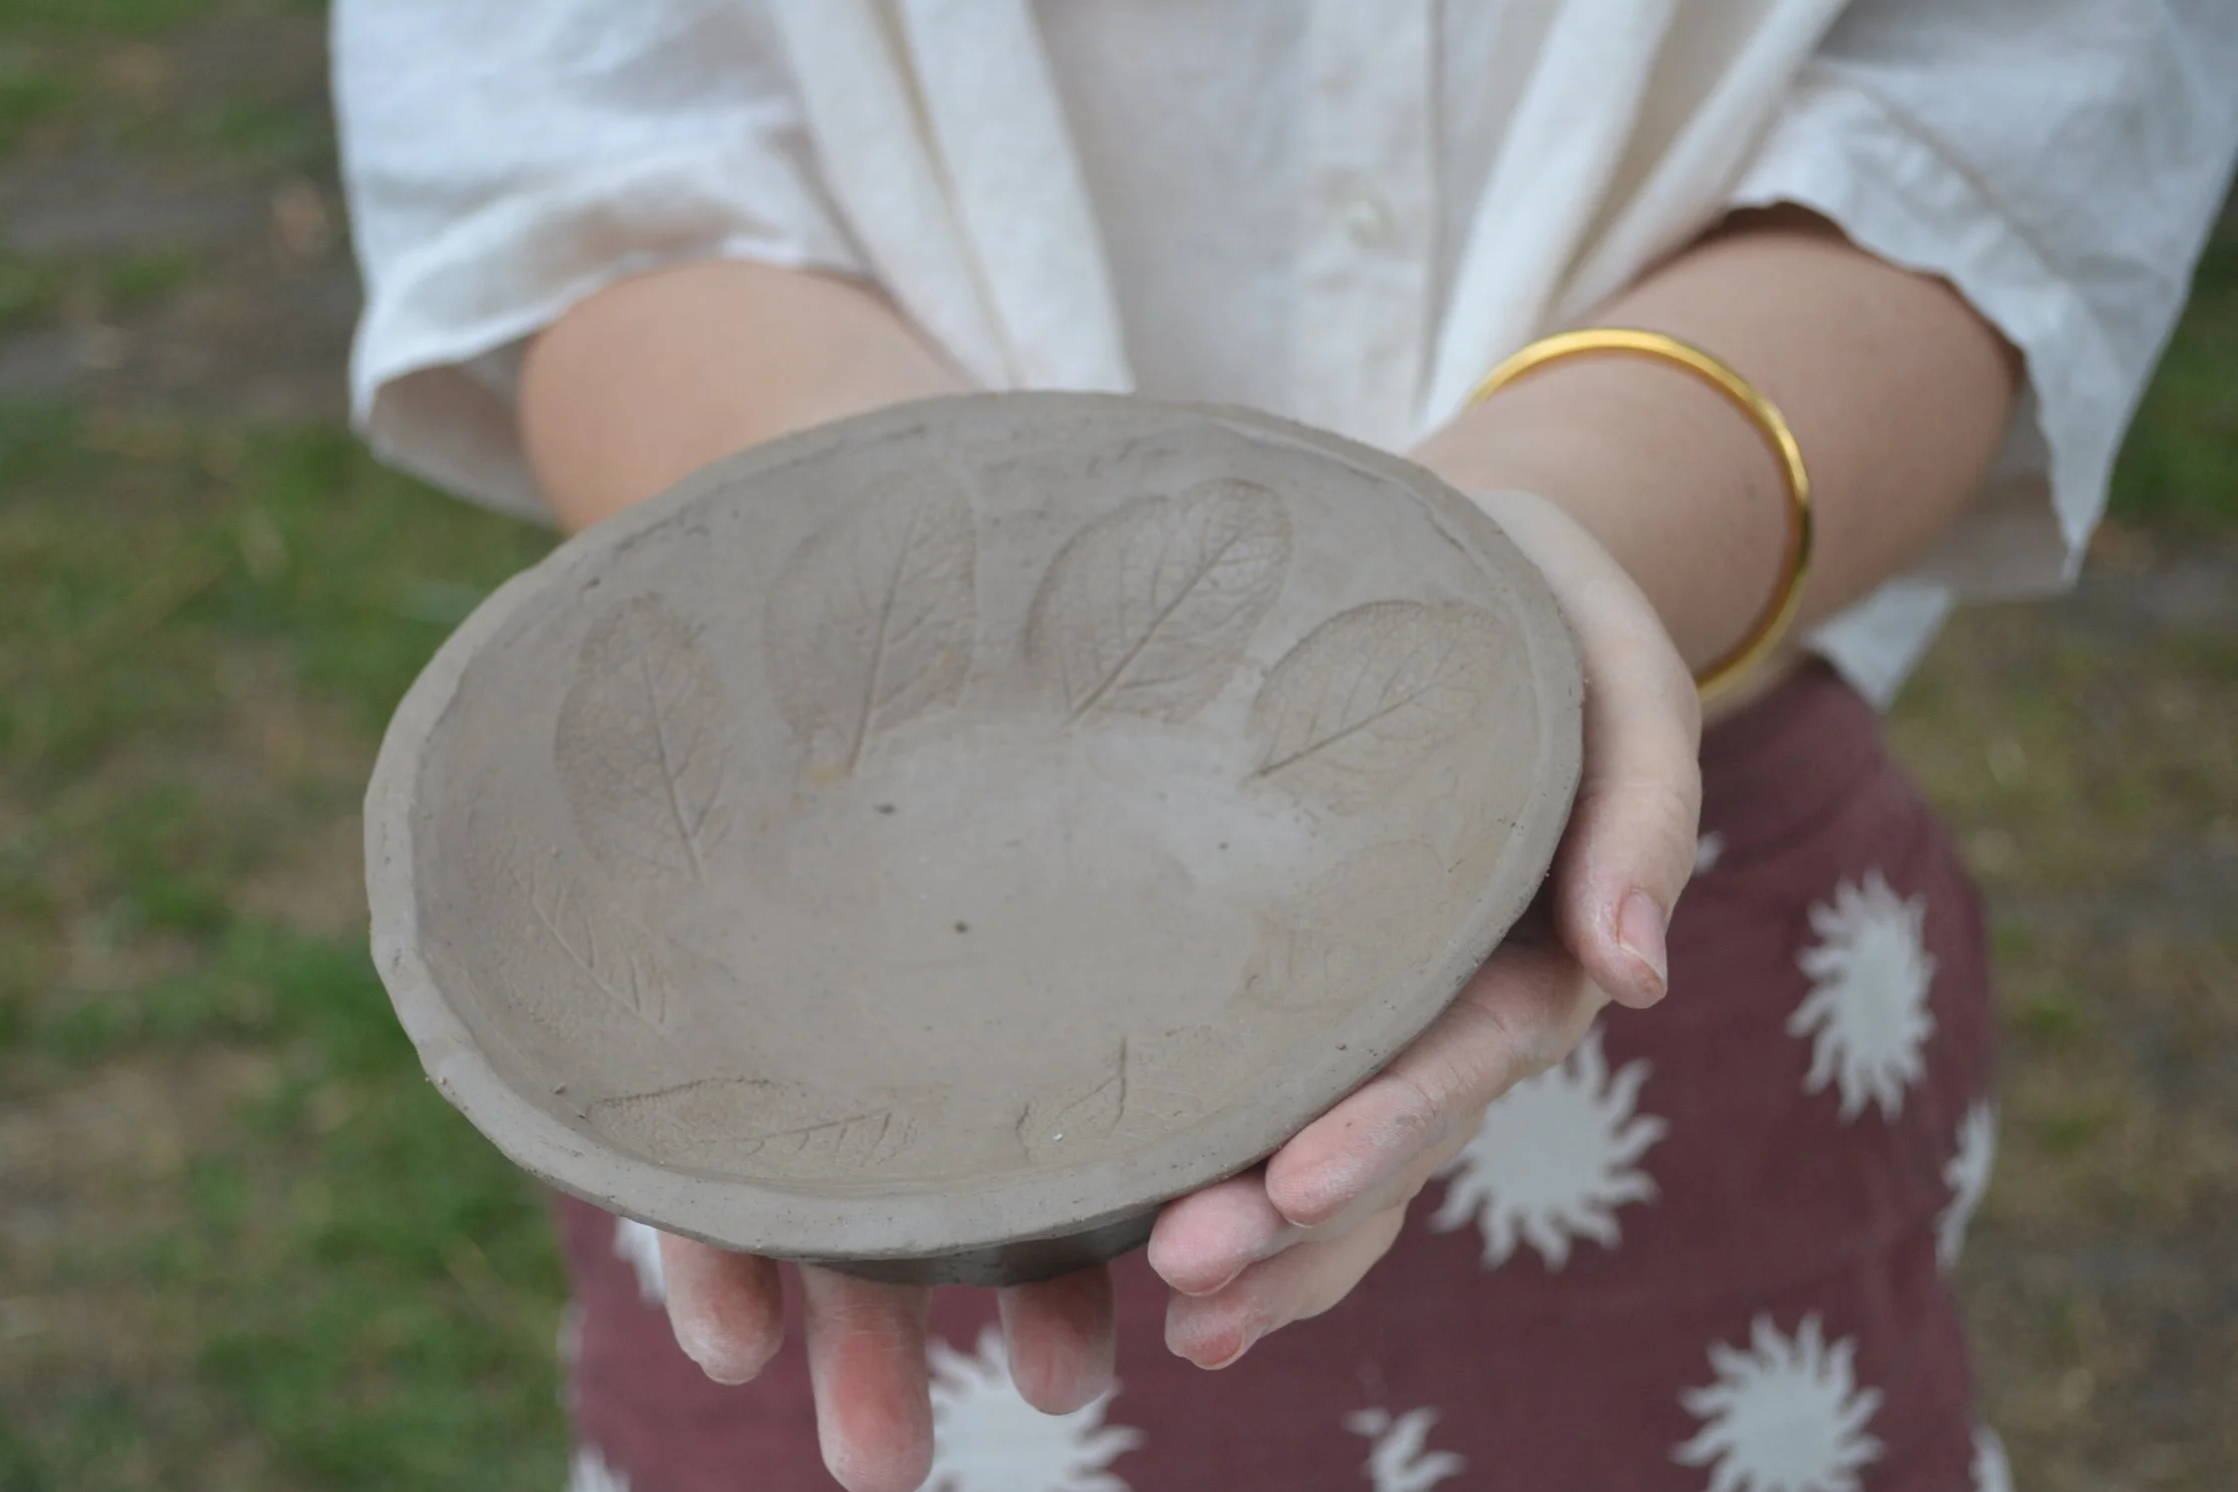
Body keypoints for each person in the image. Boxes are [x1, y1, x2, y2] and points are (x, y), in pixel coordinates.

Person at [334, 3, 2238, 1489]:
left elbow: (2016, 116)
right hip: (806, 1007)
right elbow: (571, 147)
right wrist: (939, 548)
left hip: (1654, 895)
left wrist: (1538, 557)